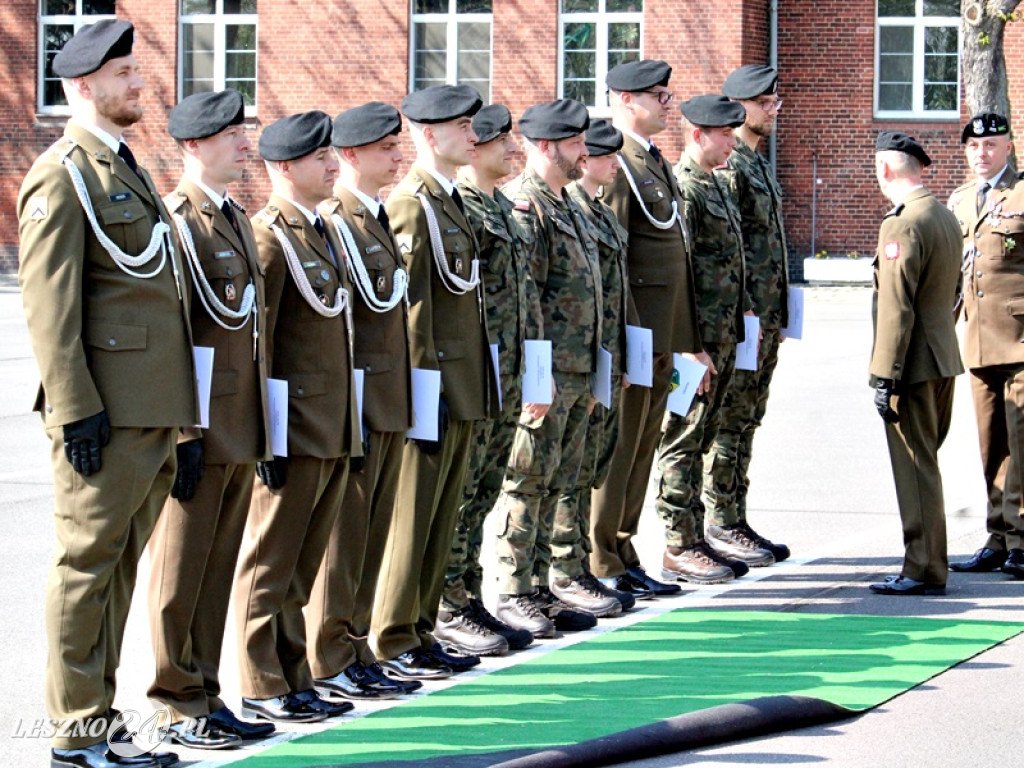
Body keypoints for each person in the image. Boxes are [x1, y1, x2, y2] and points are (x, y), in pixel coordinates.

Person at [18, 19, 194, 768]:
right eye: (124, 73)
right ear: (82, 85)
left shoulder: (123, 166)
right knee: (86, 569)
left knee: (118, 569)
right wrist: (74, 405)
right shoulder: (61, 174)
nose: (139, 82)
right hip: (106, 413)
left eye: (135, 69)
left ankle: (98, 713)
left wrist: (181, 423)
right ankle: (73, 731)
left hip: (151, 411)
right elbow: (48, 306)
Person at [147, 89, 275, 748]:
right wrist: (182, 434)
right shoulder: (177, 223)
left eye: (243, 133)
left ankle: (206, 691)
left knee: (216, 570)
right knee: (179, 574)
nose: (244, 145)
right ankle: (176, 703)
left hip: (238, 424)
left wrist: (263, 427)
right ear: (194, 145)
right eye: (231, 136)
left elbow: (250, 333)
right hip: (199, 428)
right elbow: (172, 334)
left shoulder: (231, 218)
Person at [233, 111, 360, 722]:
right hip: (295, 427)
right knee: (271, 561)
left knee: (304, 562)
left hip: (332, 422)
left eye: (333, 156)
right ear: (285, 167)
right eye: (321, 158)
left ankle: (293, 669)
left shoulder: (323, 232)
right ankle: (261, 681)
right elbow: (262, 348)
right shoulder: (269, 237)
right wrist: (269, 438)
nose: (334, 165)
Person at [372, 85, 499, 681]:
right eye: (462, 127)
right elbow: (412, 313)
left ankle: (421, 628)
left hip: (461, 386)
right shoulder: (411, 205)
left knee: (441, 515)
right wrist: (426, 397)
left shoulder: (449, 202)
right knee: (414, 517)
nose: (473, 136)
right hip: (435, 392)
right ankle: (395, 634)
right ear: (429, 134)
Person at [305, 102, 419, 701]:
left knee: (371, 533)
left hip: (389, 399)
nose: (397, 157)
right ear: (351, 156)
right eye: (385, 149)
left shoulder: (369, 218)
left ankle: (356, 642)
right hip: (359, 404)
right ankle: (329, 653)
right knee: (345, 539)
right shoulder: (338, 223)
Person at [493, 98, 614, 636]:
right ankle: (515, 589)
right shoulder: (528, 207)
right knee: (528, 482)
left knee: (561, 480)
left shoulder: (568, 205)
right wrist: (535, 380)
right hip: (547, 375)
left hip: (576, 370)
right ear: (545, 146)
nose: (583, 153)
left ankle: (542, 586)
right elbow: (528, 301)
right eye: (573, 144)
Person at [590, 59, 701, 599]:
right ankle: (601, 554)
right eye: (658, 95)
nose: (667, 103)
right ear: (625, 100)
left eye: (666, 93)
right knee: (622, 446)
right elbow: (613, 261)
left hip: (662, 335)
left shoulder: (652, 161)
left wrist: (687, 340)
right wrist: (625, 343)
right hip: (637, 337)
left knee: (642, 447)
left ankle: (623, 546)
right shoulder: (619, 163)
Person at [435, 104, 540, 656]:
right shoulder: (465, 211)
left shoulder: (505, 208)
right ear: (475, 148)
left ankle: (466, 594)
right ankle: (448, 604)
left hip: (510, 375)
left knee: (482, 494)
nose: (510, 151)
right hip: (478, 374)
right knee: (462, 492)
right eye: (501, 142)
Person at [657, 95, 750, 586]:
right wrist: (688, 342)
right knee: (684, 436)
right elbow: (683, 272)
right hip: (698, 339)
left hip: (723, 336)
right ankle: (678, 542)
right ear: (698, 135)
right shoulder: (686, 189)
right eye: (725, 135)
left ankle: (695, 535)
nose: (733, 142)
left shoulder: (716, 185)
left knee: (705, 436)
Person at [868, 131, 963, 596]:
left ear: (886, 169)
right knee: (927, 461)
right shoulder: (943, 215)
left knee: (914, 464)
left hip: (913, 364)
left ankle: (921, 566)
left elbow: (896, 308)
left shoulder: (902, 223)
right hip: (941, 357)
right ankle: (928, 563)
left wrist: (884, 375)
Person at [705, 64, 793, 567]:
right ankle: (720, 519)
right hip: (744, 320)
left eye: (775, 101)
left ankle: (734, 515)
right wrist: (745, 317)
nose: (773, 110)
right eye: (766, 102)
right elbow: (728, 251)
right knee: (729, 419)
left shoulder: (756, 163)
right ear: (740, 108)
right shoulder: (731, 167)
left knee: (747, 419)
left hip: (765, 318)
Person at [560, 119, 639, 611]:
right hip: (575, 361)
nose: (615, 164)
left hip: (603, 357)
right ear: (584, 159)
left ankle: (577, 565)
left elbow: (616, 293)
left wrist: (621, 357)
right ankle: (569, 568)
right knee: (562, 474)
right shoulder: (570, 210)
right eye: (607, 157)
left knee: (590, 464)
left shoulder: (600, 214)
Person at [948, 112, 1024, 580]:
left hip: (1019, 340)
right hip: (977, 340)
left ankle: (1021, 539)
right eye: (974, 147)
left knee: (1023, 446)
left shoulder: (1021, 194)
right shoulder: (959, 201)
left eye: (991, 146)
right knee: (990, 445)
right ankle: (997, 535)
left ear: (1009, 148)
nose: (982, 154)